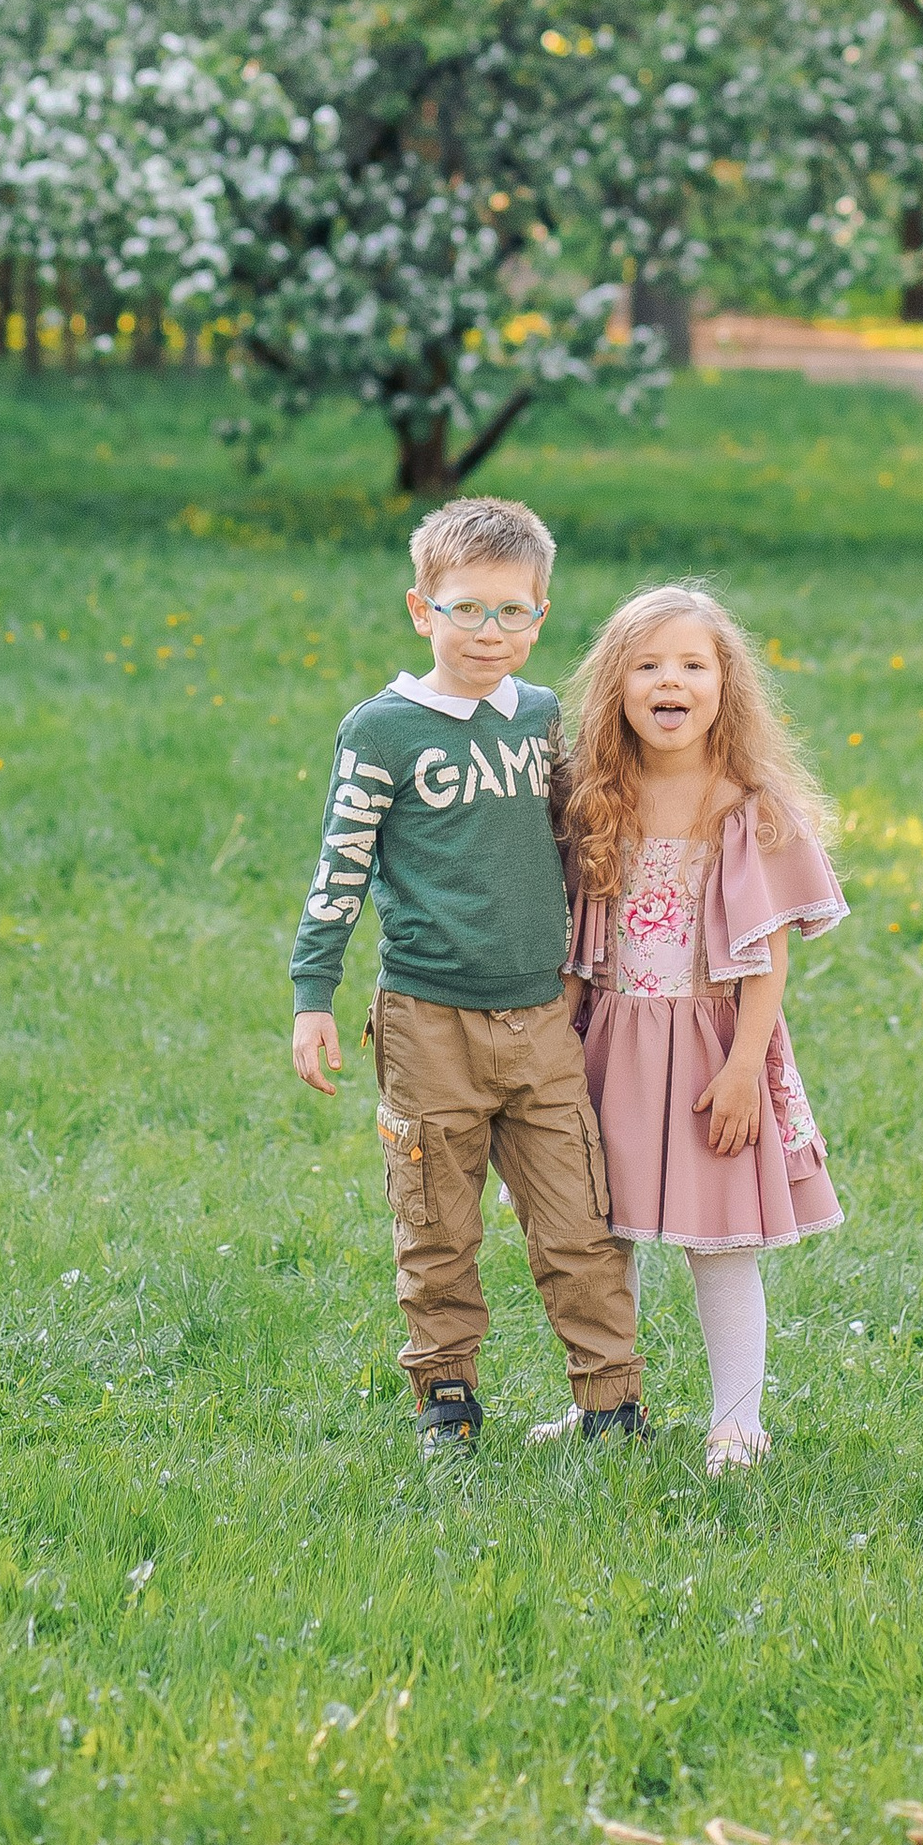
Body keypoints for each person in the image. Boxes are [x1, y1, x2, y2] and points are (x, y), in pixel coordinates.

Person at [287, 493, 647, 1454]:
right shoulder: (383, 733)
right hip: (426, 1020)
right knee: (438, 1221)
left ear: (540, 616)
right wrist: (312, 995)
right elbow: (341, 867)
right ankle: (446, 1395)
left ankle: (612, 1401)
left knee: (579, 1220)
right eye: (466, 610)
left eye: (513, 612)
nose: (490, 632)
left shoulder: (537, 717)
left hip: (538, 1018)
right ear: (422, 610)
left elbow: (577, 839)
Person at [558, 582, 847, 1473]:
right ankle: (607, 1403)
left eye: (692, 664)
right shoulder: (596, 799)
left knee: (719, 1240)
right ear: (617, 688)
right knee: (601, 1238)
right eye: (647, 665)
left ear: (727, 686)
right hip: (609, 1046)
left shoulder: (744, 809)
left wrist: (743, 1070)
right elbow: (575, 937)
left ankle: (737, 1420)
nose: (669, 680)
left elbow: (766, 958)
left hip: (716, 1053)